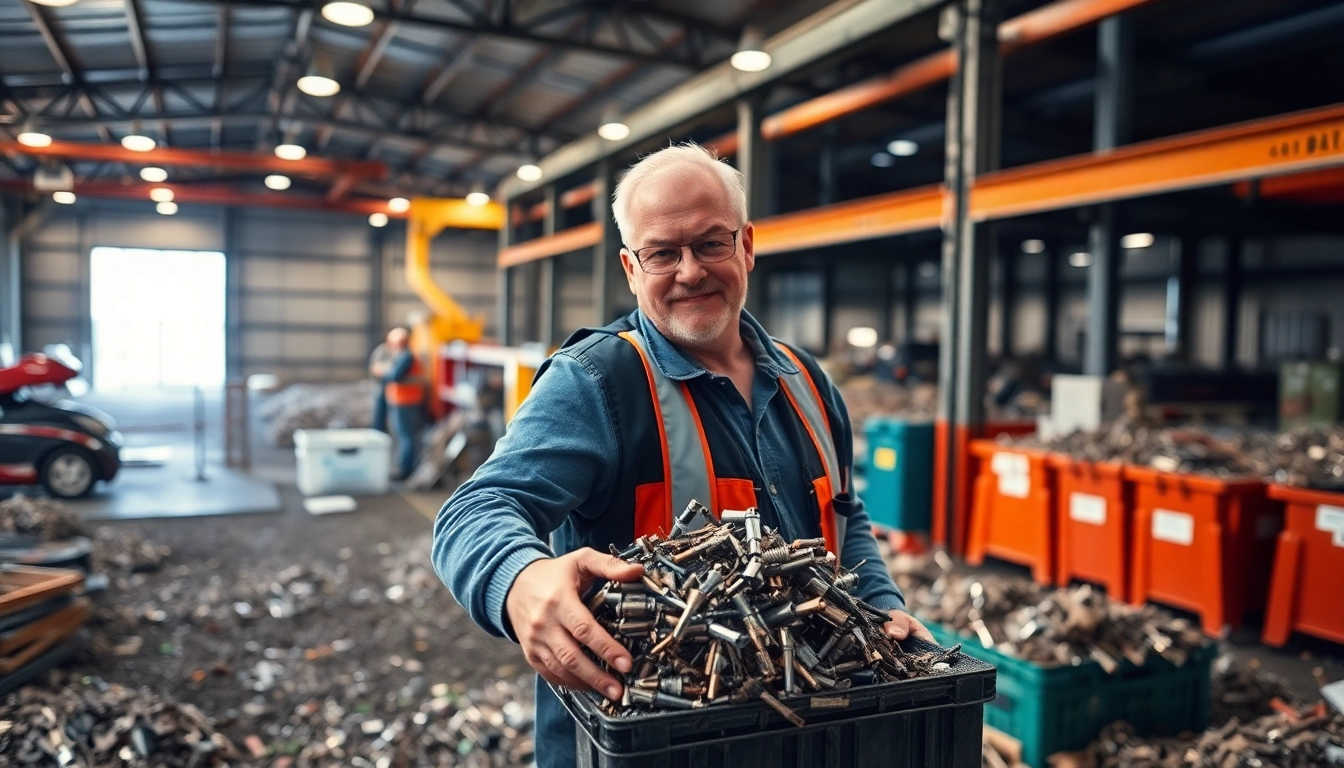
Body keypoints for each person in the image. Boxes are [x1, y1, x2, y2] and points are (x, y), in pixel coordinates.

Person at [431, 143, 931, 767]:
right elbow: (477, 509)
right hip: (647, 745)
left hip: (801, 731)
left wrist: (883, 607)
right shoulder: (597, 383)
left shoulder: (808, 381)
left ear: (746, 245)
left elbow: (843, 516)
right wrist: (519, 580)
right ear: (630, 268)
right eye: (662, 253)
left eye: (711, 243)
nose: (690, 271)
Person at [382, 326, 423, 480]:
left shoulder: (406, 357)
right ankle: (405, 467)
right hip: (402, 401)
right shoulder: (402, 356)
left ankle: (406, 470)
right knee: (405, 436)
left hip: (405, 402)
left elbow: (394, 376)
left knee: (406, 436)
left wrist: (382, 371)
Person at [368, 330, 397, 433]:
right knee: (379, 413)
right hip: (381, 386)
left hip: (394, 389)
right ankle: (379, 432)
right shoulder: (382, 350)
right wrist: (390, 371)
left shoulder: (398, 351)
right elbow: (375, 368)